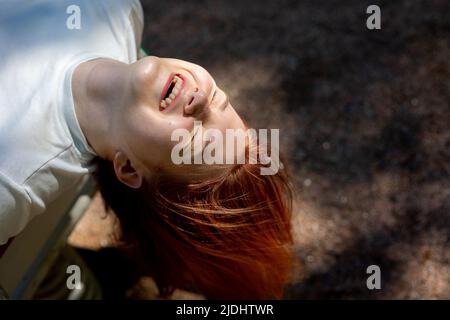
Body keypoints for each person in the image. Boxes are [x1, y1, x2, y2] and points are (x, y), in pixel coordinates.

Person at [0, 0, 293, 299]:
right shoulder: (119, 12)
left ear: (128, 168)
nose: (201, 99)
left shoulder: (10, 182)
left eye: (193, 141)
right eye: (220, 98)